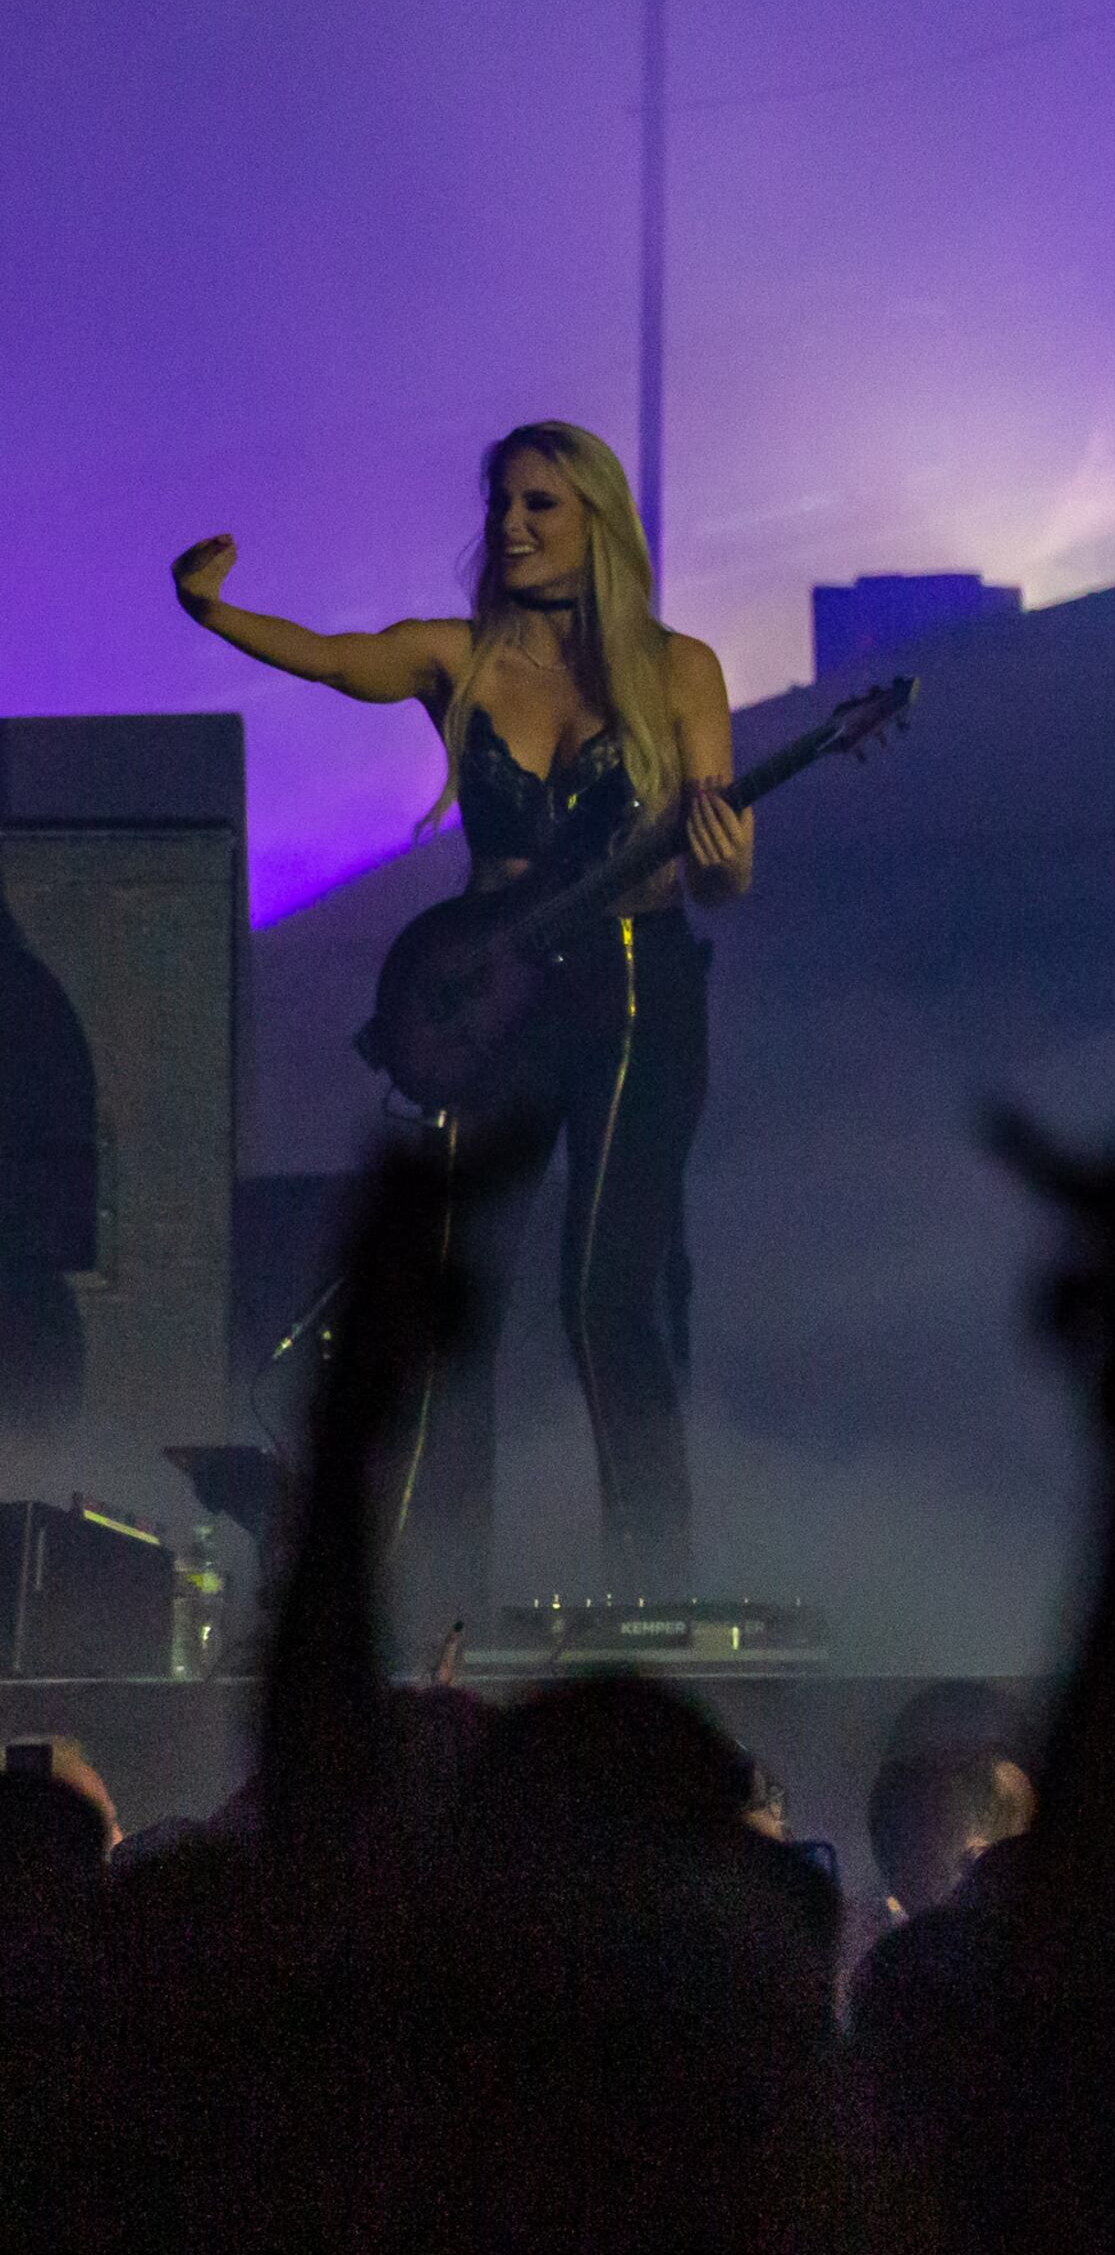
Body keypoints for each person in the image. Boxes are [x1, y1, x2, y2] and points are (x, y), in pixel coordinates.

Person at [175, 421, 750, 1617]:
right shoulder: (461, 657)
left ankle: (654, 1603)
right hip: (491, 996)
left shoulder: (677, 668)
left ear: (597, 520)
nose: (513, 526)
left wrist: (728, 859)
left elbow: (720, 874)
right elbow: (339, 658)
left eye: (540, 504)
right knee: (443, 1297)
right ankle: (426, 1604)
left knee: (607, 1293)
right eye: (500, 504)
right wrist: (211, 611)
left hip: (638, 991)